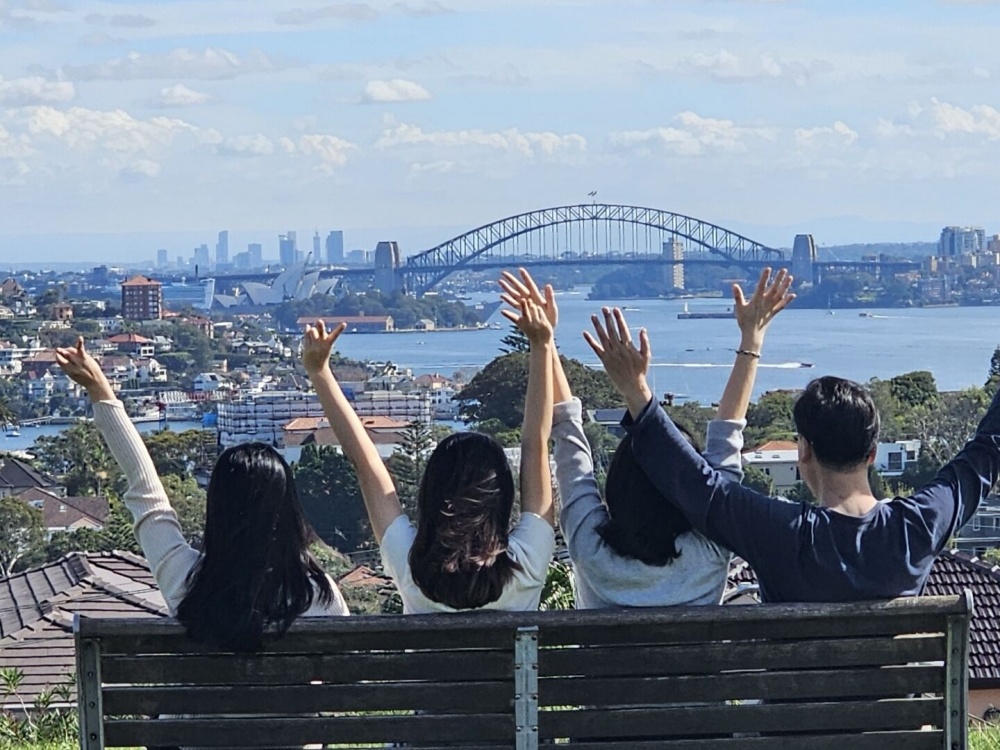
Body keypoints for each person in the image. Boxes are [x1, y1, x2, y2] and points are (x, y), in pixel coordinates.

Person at [584, 303, 1000, 603]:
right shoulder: (917, 526)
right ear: (872, 453)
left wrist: (636, 392)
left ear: (803, 451)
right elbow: (984, 455)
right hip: (898, 727)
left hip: (792, 726)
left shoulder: (783, 534)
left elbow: (697, 484)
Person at [500, 268, 794, 608]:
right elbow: (727, 439)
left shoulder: (589, 546)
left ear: (618, 485)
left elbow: (568, 437)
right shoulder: (713, 545)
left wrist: (545, 341)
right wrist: (751, 339)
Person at [55, 338, 349, 652]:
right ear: (290, 513)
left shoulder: (185, 582)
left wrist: (99, 387)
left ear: (218, 509)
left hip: (200, 704)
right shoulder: (320, 596)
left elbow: (146, 493)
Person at [301, 298, 556, 614]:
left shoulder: (411, 565)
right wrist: (543, 345)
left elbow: (366, 463)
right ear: (501, 497)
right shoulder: (527, 561)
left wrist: (319, 372)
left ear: (431, 492)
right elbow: (536, 445)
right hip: (518, 667)